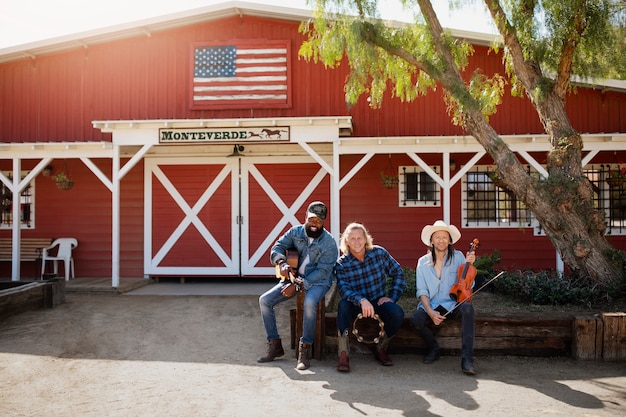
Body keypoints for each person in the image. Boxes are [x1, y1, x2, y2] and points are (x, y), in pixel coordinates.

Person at [258, 201, 338, 370]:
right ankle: (275, 345)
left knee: (309, 304)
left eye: (319, 220)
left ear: (324, 221)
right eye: (311, 219)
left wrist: (299, 285)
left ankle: (305, 349)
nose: (314, 223)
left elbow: (323, 272)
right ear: (305, 217)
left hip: (319, 282)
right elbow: (277, 247)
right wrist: (282, 262)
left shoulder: (329, 243)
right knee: (264, 301)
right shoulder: (295, 231)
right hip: (293, 278)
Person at [334, 222, 406, 372]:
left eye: (360, 238)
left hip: (378, 300)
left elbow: (398, 272)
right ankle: (343, 353)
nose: (356, 242)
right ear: (346, 241)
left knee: (397, 313)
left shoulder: (379, 253)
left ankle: (380, 347)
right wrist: (361, 300)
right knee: (342, 306)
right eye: (352, 238)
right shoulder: (342, 263)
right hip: (355, 303)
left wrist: (392, 297)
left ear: (366, 239)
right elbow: (343, 289)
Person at [409, 220, 477, 375]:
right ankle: (433, 348)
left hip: (453, 303)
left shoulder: (460, 257)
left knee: (467, 308)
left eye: (444, 237)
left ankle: (467, 360)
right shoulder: (422, 262)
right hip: (432, 304)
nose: (441, 240)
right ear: (431, 240)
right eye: (437, 237)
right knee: (416, 321)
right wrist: (430, 312)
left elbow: (468, 285)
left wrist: (470, 266)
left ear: (450, 240)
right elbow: (422, 291)